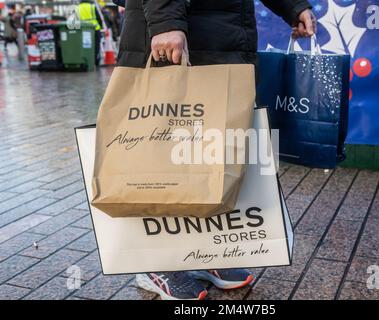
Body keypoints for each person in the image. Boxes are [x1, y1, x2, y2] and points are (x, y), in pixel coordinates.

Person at [113, 0, 316, 300]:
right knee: (164, 153)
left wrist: (292, 6)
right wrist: (166, 21)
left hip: (224, 35)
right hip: (175, 28)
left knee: (213, 152)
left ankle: (206, 250)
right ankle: (155, 262)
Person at [78, 0, 103, 65]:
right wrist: (101, 26)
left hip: (82, 30)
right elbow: (99, 18)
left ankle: (86, 61)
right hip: (95, 29)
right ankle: (96, 61)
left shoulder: (77, 7)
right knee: (96, 46)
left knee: (86, 46)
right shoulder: (92, 6)